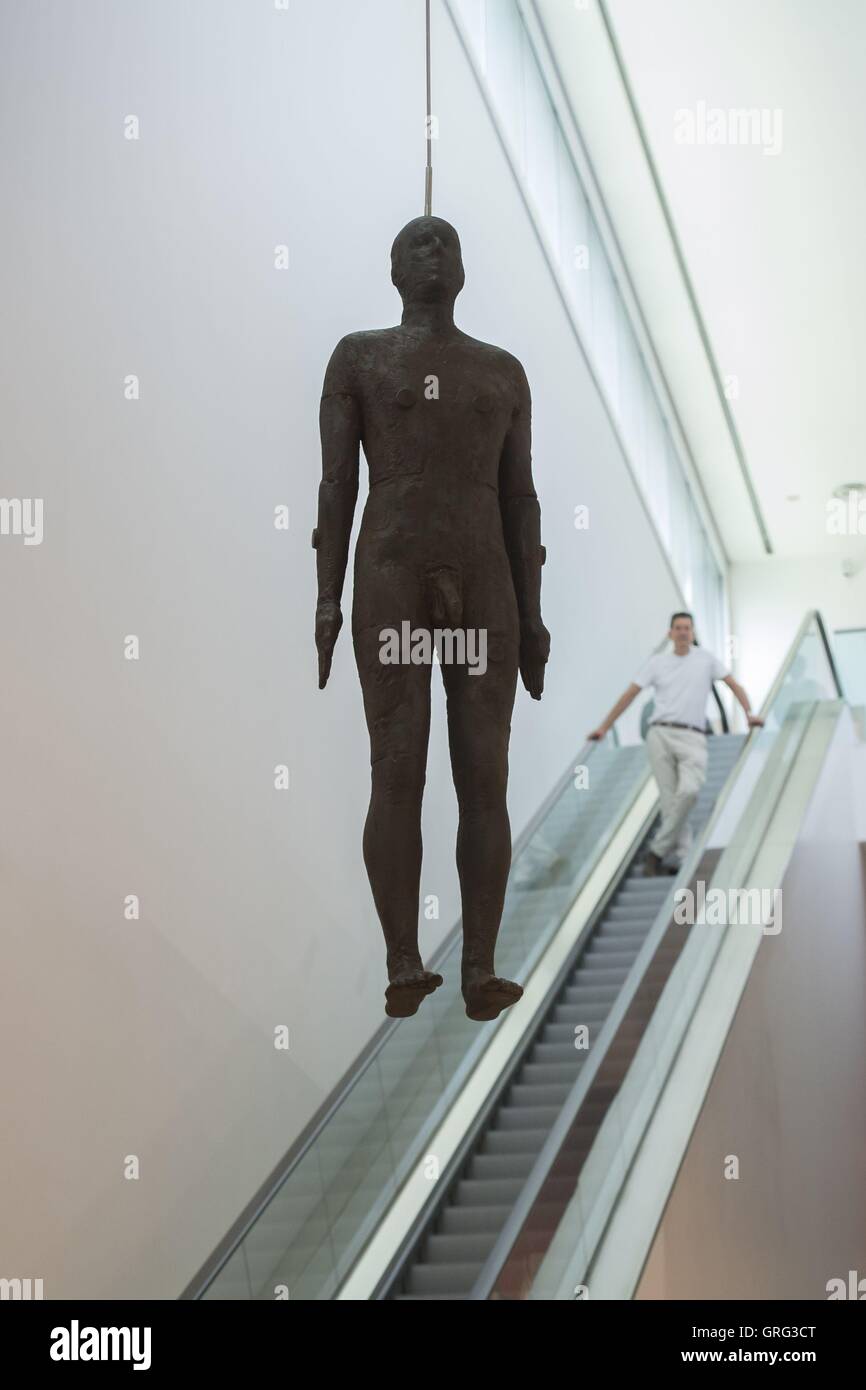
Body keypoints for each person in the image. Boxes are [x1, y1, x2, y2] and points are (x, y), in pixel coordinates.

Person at [315, 216, 550, 1021]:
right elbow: (336, 487)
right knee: (399, 764)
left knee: (485, 772)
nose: (434, 248)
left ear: (464, 268)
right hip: (393, 570)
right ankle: (404, 960)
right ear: (391, 270)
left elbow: (521, 497)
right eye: (417, 241)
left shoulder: (501, 373)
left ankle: (480, 964)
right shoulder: (360, 357)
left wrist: (536, 611)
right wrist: (327, 597)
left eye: (447, 240)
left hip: (486, 580)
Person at [588, 612, 763, 876]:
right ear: (670, 633)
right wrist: (604, 727)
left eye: (687, 628)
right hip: (659, 734)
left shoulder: (706, 660)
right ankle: (681, 858)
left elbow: (733, 686)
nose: (683, 632)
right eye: (678, 628)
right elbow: (630, 694)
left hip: (693, 736)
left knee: (689, 791)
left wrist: (749, 713)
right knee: (670, 801)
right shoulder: (657, 663)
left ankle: (657, 851)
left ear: (692, 634)